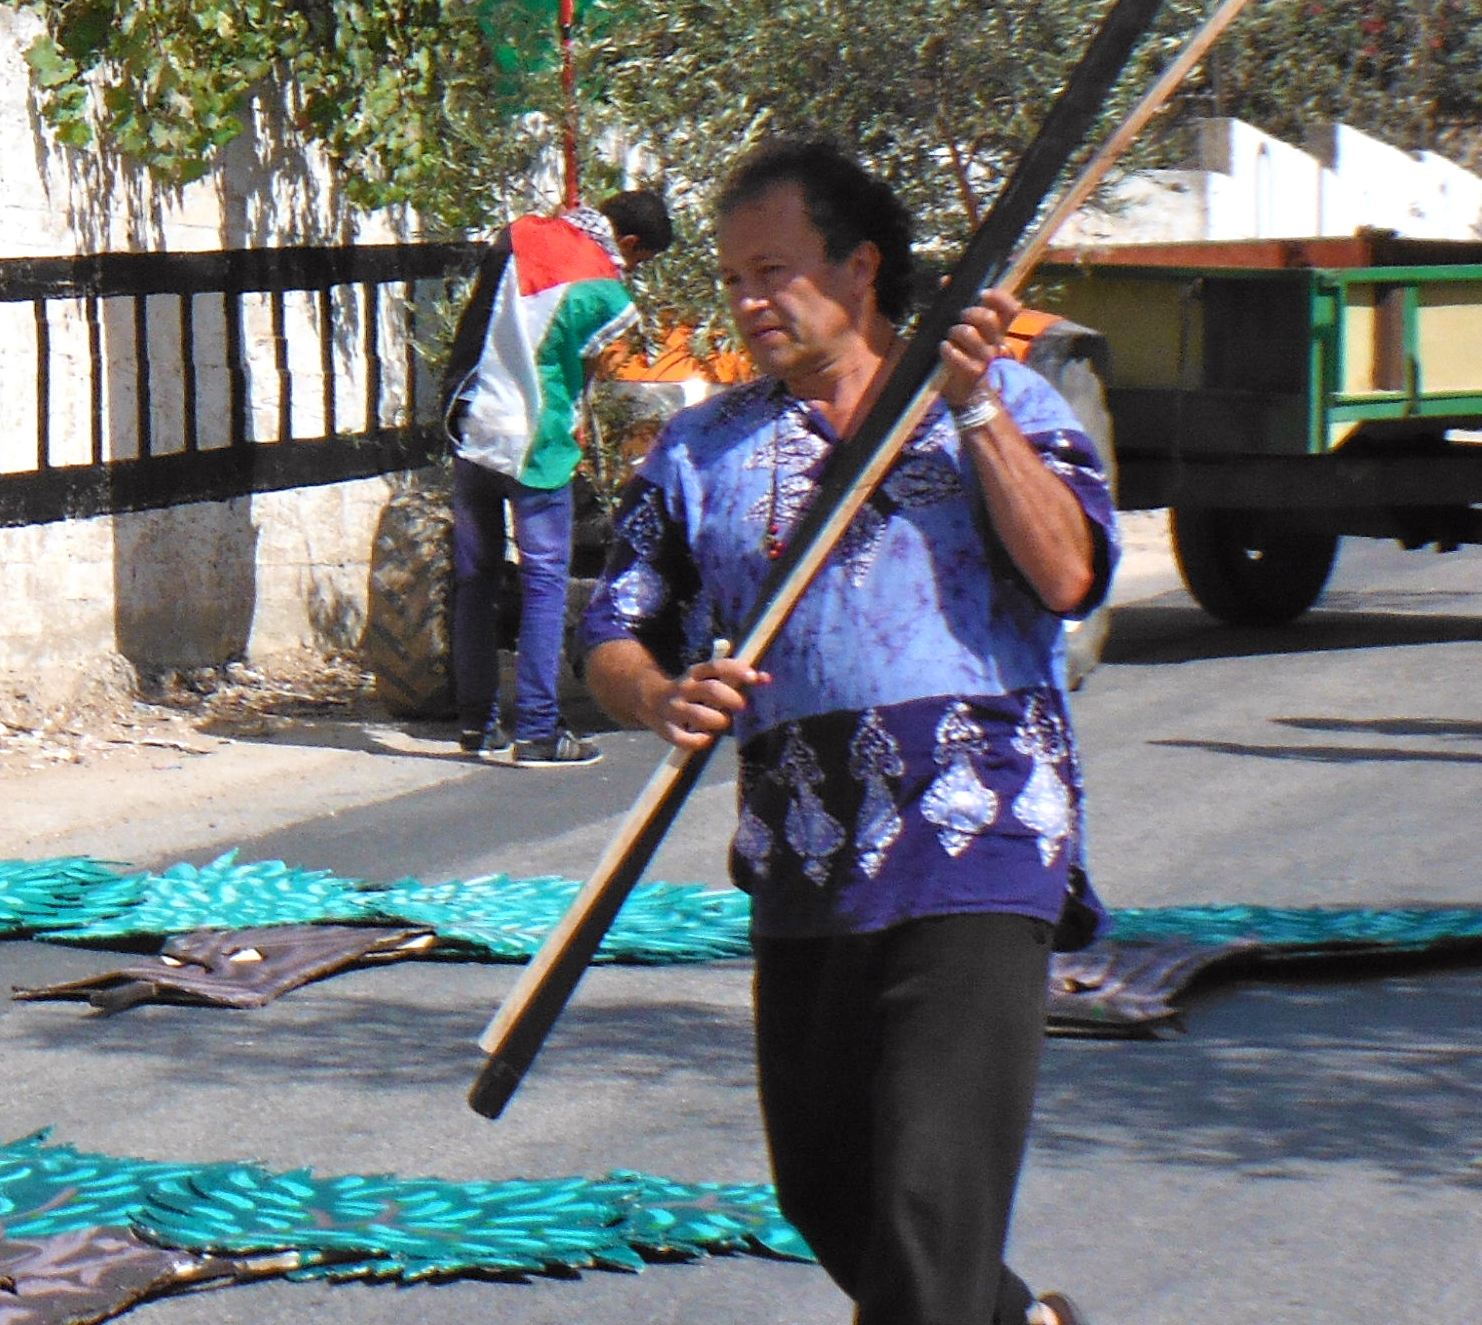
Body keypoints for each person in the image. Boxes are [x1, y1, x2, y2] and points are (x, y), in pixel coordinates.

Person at [581, 140, 1109, 1325]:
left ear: (860, 267)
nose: (752, 302)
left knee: (927, 1200)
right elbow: (613, 627)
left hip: (980, 844)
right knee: (829, 1192)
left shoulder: (1005, 403)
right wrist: (661, 695)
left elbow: (1070, 575)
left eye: (776, 272)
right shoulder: (701, 449)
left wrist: (971, 408)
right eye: (733, 281)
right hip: (807, 855)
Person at [440, 186, 672, 766]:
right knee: (545, 581)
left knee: (476, 578)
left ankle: (476, 725)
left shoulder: (519, 234)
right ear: (630, 242)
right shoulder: (610, 294)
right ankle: (539, 732)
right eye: (640, 259)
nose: (635, 269)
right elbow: (588, 371)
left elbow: (475, 322)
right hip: (538, 446)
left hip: (472, 426)